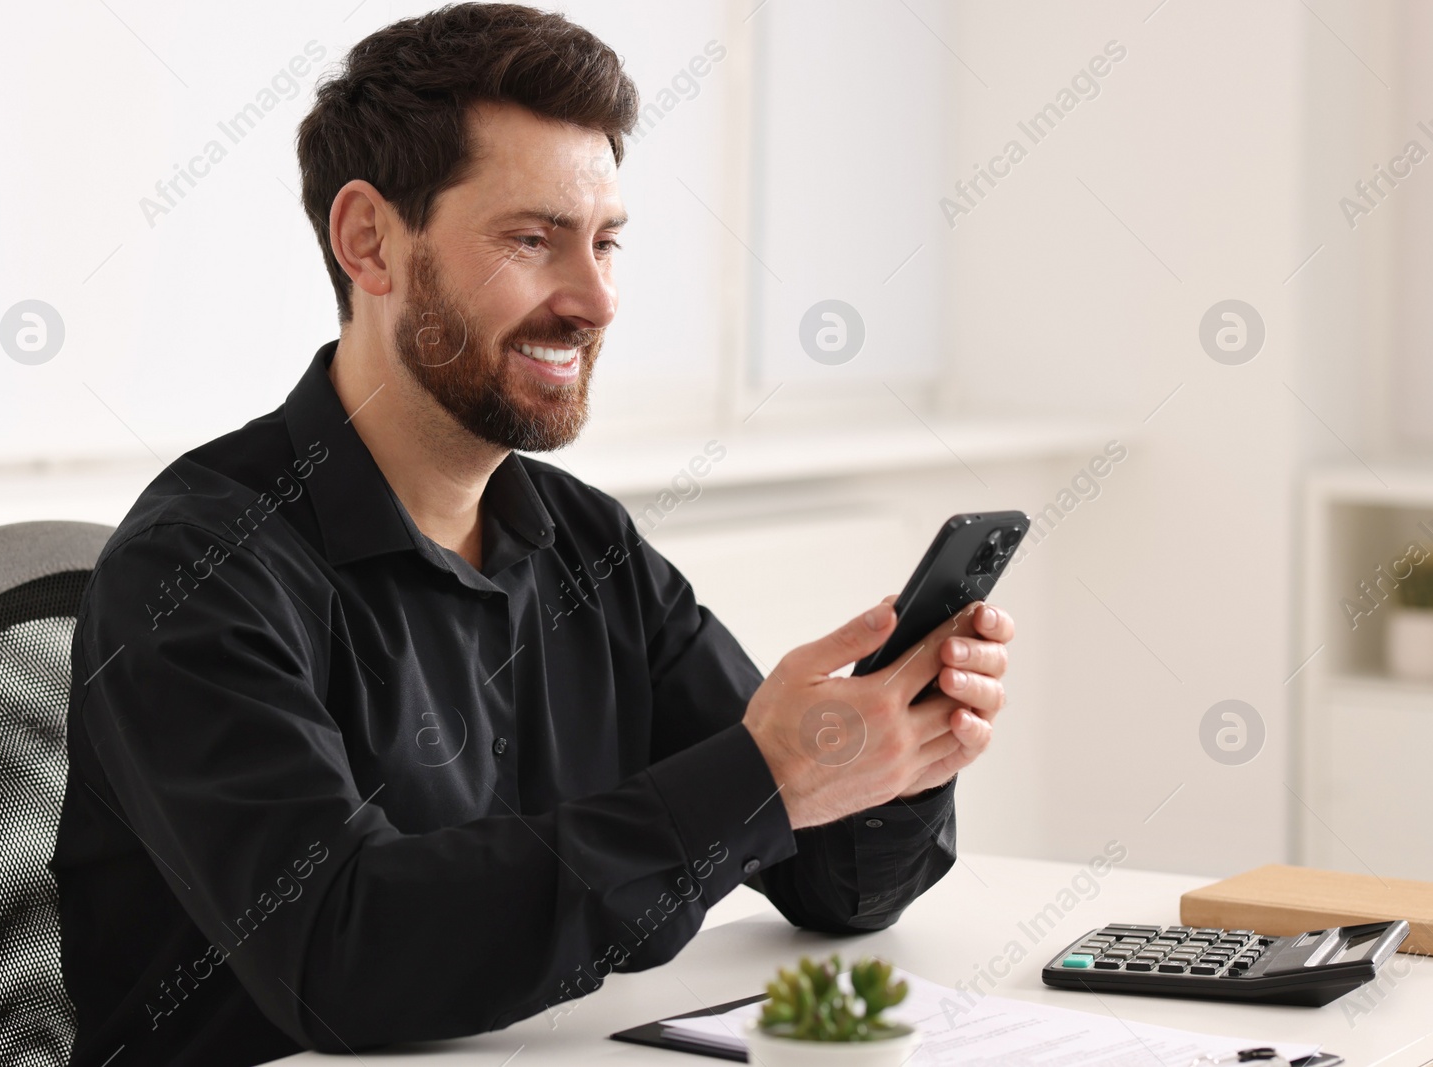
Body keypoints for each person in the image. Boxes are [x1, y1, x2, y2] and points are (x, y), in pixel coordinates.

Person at [52, 4, 1015, 1065]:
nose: (595, 299)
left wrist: (892, 751)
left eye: (605, 241)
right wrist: (757, 776)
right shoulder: (196, 571)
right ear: (369, 241)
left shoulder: (582, 541)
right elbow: (347, 958)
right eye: (532, 239)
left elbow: (831, 885)